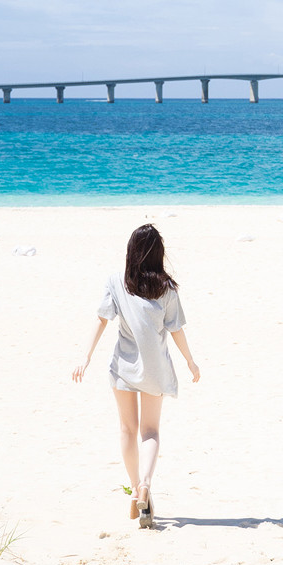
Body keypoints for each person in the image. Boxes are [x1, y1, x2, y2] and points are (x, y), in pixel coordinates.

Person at [72, 224, 200, 528]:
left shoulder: (117, 281)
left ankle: (135, 491)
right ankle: (144, 485)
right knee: (151, 431)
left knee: (127, 430)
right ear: (159, 255)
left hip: (125, 366)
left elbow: (102, 320)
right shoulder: (167, 288)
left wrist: (85, 356)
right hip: (155, 368)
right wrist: (191, 362)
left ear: (132, 252)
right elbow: (176, 330)